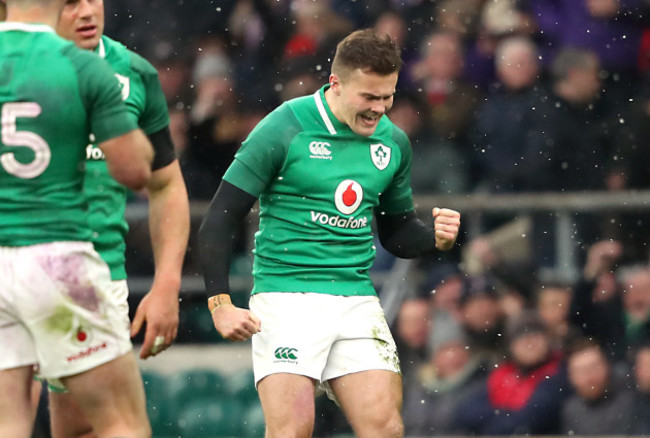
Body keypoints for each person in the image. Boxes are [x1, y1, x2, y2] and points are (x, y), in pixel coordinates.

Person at [199, 29, 461, 438]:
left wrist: (435, 238)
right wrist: (220, 303)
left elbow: (397, 232)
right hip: (286, 298)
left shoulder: (393, 143)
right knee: (292, 431)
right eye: (369, 98)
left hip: (356, 300)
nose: (379, 110)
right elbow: (219, 218)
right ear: (336, 84)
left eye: (387, 96)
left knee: (386, 428)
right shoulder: (284, 126)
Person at [0, 0, 154, 437]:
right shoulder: (80, 65)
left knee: (8, 422)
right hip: (56, 262)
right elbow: (134, 171)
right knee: (120, 422)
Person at [40, 0, 190, 437]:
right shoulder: (11, 64)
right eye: (70, 3)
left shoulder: (134, 72)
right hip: (13, 262)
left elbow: (166, 186)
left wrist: (166, 285)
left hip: (94, 275)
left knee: (84, 428)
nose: (86, 11)